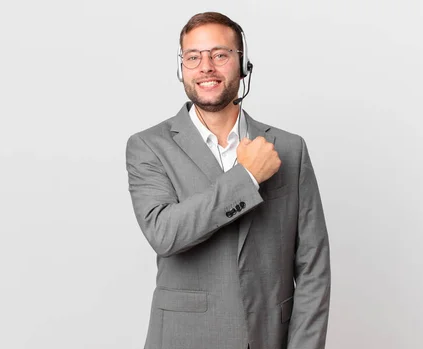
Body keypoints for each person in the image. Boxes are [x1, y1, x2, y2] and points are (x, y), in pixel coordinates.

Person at [126, 12, 331, 349]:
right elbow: (164, 234)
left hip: (268, 338)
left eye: (219, 54)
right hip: (183, 338)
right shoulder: (149, 146)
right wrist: (247, 176)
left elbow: (313, 267)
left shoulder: (289, 149)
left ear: (243, 65)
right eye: (193, 57)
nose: (206, 66)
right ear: (182, 70)